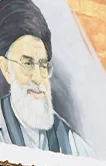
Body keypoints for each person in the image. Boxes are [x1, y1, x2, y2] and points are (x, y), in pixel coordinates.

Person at [0, 0, 91, 156]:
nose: (37, 78)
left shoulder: (71, 142)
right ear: (6, 68)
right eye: (27, 63)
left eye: (43, 66)